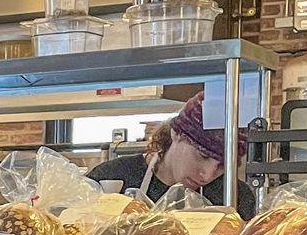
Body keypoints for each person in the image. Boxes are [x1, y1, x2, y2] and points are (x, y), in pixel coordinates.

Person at [86, 92, 253, 215]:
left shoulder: (236, 197)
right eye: (202, 155)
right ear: (175, 133)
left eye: (222, 165)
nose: (207, 175)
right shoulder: (111, 177)